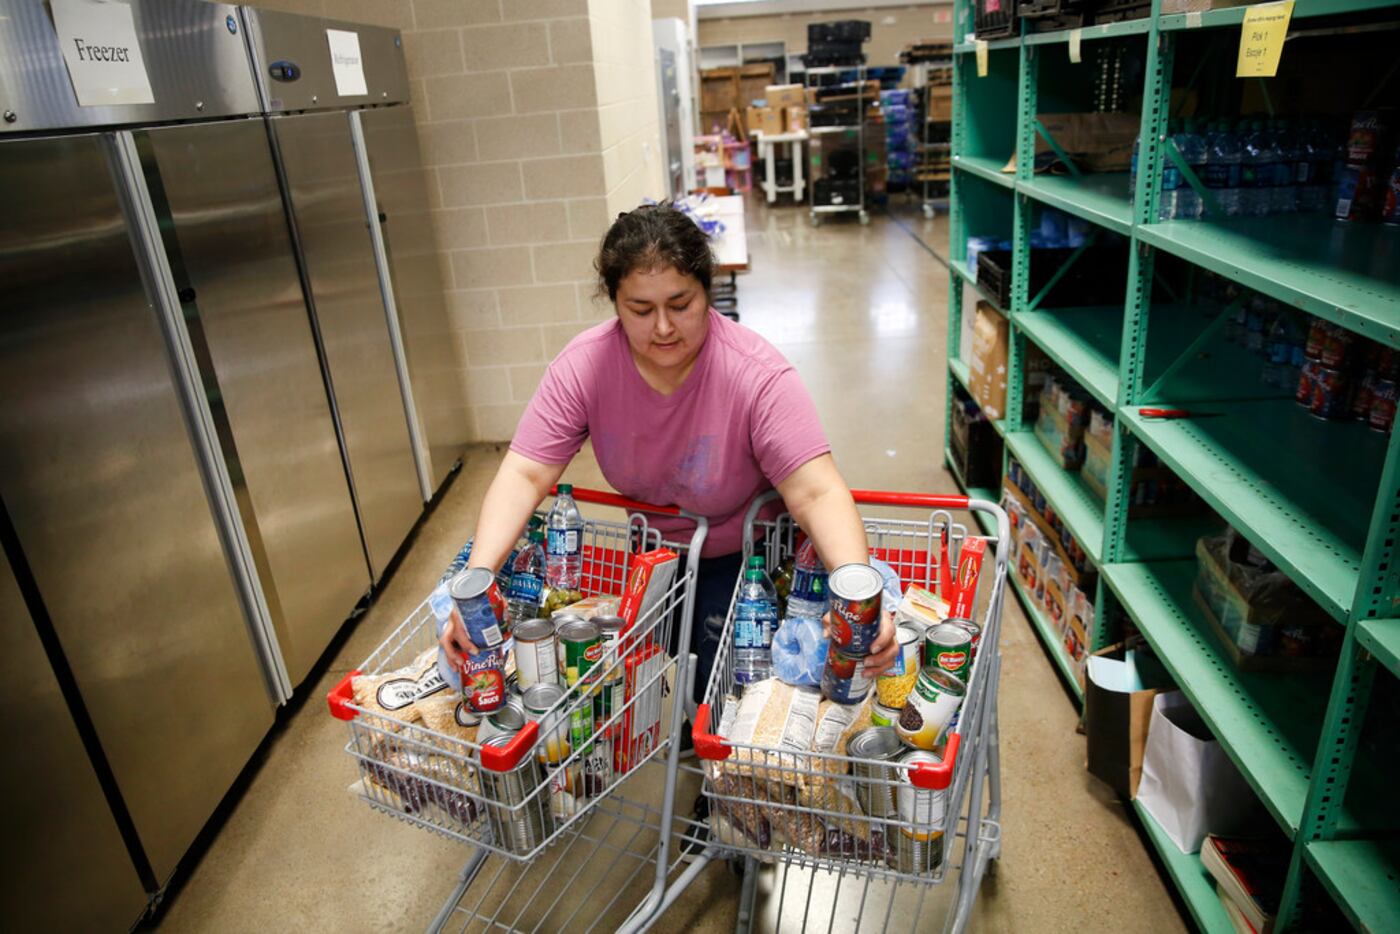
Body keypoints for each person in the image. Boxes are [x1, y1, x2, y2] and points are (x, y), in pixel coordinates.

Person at [438, 202, 896, 726]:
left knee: (725, 690)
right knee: (653, 667)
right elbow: (524, 474)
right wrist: (478, 581)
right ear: (614, 302)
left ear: (707, 292)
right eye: (639, 309)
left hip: (743, 561)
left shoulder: (756, 375)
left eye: (680, 303)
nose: (662, 328)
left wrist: (858, 591)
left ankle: (716, 772)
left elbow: (817, 492)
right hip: (652, 553)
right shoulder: (585, 368)